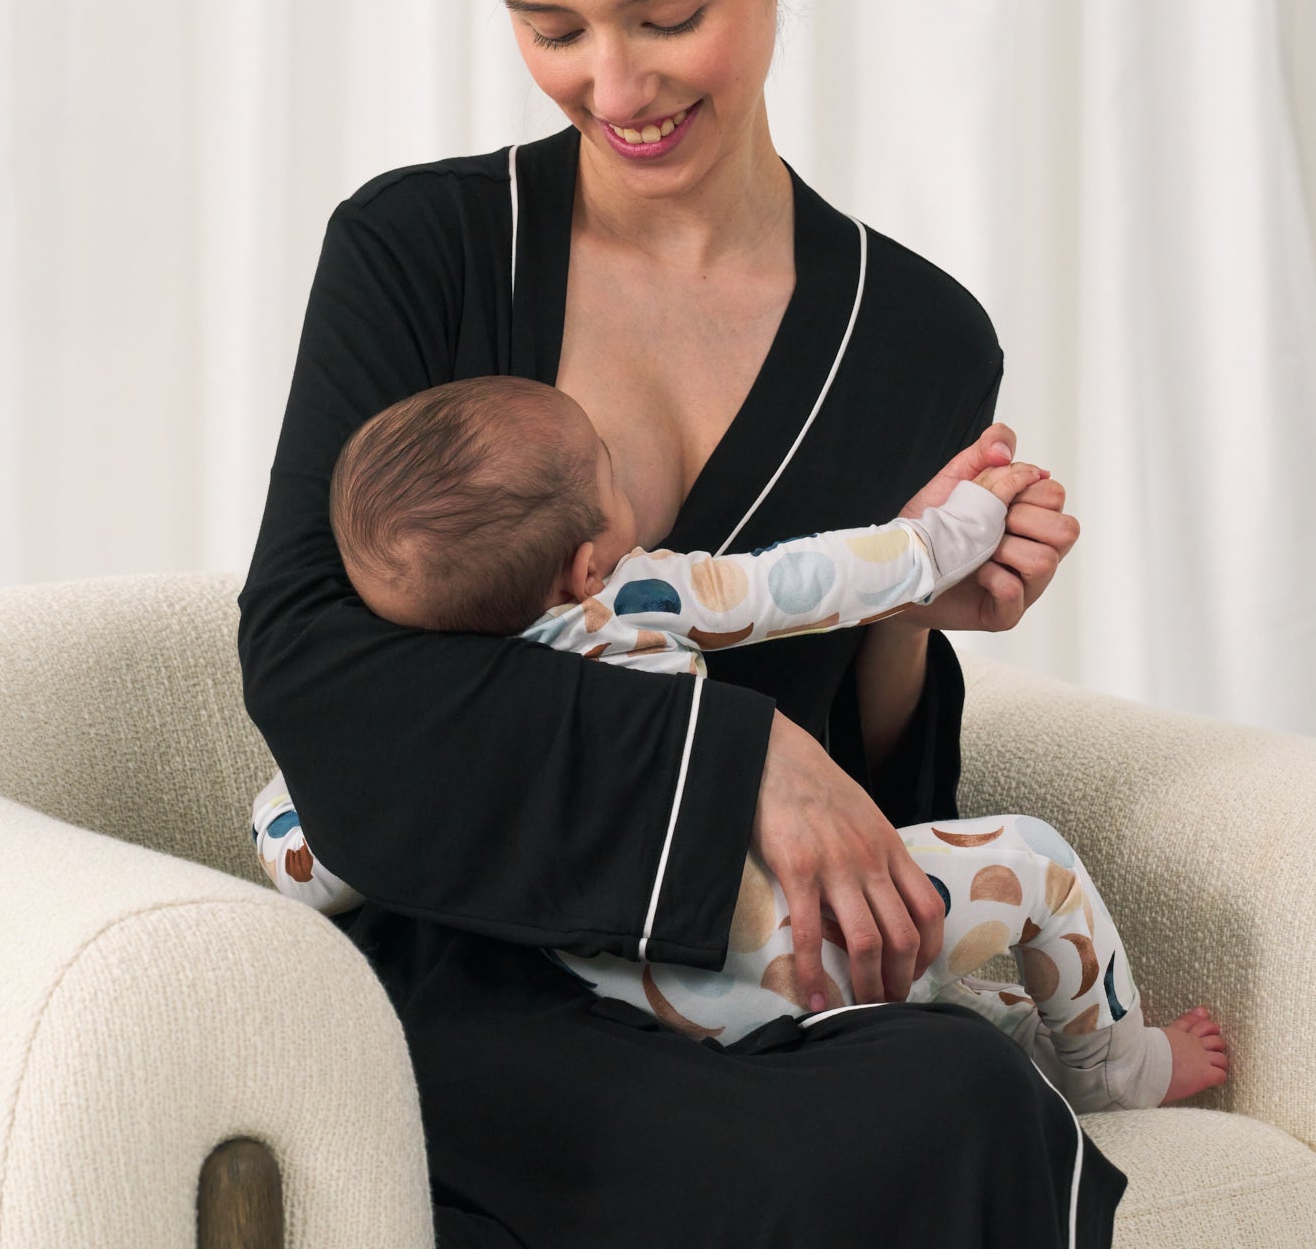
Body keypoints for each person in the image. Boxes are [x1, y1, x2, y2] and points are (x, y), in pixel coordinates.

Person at [238, 0, 1141, 1246]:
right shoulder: (418, 251)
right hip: (466, 967)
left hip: (742, 980)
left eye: (670, 15)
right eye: (551, 27)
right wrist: (734, 767)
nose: (617, 84)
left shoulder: (917, 334)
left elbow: (872, 806)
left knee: (960, 1098)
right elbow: (315, 665)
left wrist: (919, 608)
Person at [251, 376, 1228, 1111]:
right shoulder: (627, 594)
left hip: (648, 1015)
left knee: (942, 987)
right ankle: (1118, 1069)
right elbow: (813, 580)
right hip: (776, 931)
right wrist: (957, 527)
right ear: (582, 564)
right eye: (602, 461)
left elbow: (312, 866)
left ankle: (1014, 1041)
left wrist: (275, 804)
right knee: (1034, 865)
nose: (618, 460)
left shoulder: (420, 730)